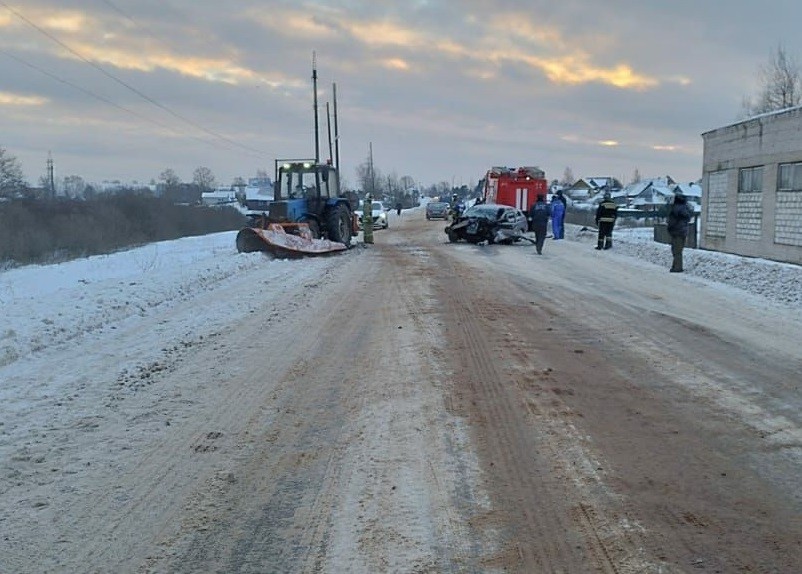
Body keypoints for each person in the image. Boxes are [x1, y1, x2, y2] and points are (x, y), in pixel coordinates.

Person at [666, 192, 693, 272]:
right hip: (682, 232)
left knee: (676, 251)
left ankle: (677, 267)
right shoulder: (685, 208)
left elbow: (672, 221)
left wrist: (670, 228)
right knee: (678, 250)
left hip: (676, 232)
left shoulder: (676, 209)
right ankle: (676, 266)